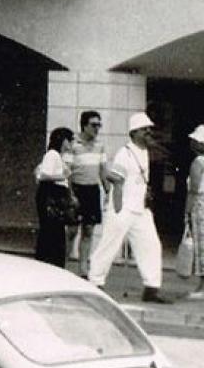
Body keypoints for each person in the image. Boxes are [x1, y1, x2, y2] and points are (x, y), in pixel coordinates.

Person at [89, 112, 169, 303]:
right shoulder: (125, 153)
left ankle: (151, 288)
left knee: (151, 246)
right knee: (109, 245)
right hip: (123, 208)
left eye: (149, 129)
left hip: (140, 209)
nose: (148, 132)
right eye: (144, 130)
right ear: (134, 132)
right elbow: (114, 178)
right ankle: (95, 283)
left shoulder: (146, 152)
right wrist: (117, 208)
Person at [67, 110, 105, 273]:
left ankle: (83, 269)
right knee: (72, 229)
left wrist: (108, 189)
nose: (97, 129)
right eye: (93, 125)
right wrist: (69, 193)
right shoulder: (73, 144)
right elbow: (66, 170)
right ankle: (65, 263)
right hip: (76, 188)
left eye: (99, 125)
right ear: (84, 126)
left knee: (88, 230)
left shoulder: (100, 145)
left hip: (92, 190)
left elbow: (103, 169)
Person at [33, 127, 78, 267]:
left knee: (54, 232)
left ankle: (49, 262)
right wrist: (63, 175)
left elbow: (37, 171)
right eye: (69, 140)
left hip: (51, 193)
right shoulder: (53, 154)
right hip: (51, 194)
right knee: (53, 232)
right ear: (63, 140)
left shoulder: (55, 156)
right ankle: (50, 263)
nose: (71, 144)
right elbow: (43, 176)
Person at [180, 124, 204, 290]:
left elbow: (194, 190)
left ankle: (202, 284)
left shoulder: (198, 162)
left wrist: (187, 212)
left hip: (200, 205)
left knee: (201, 244)